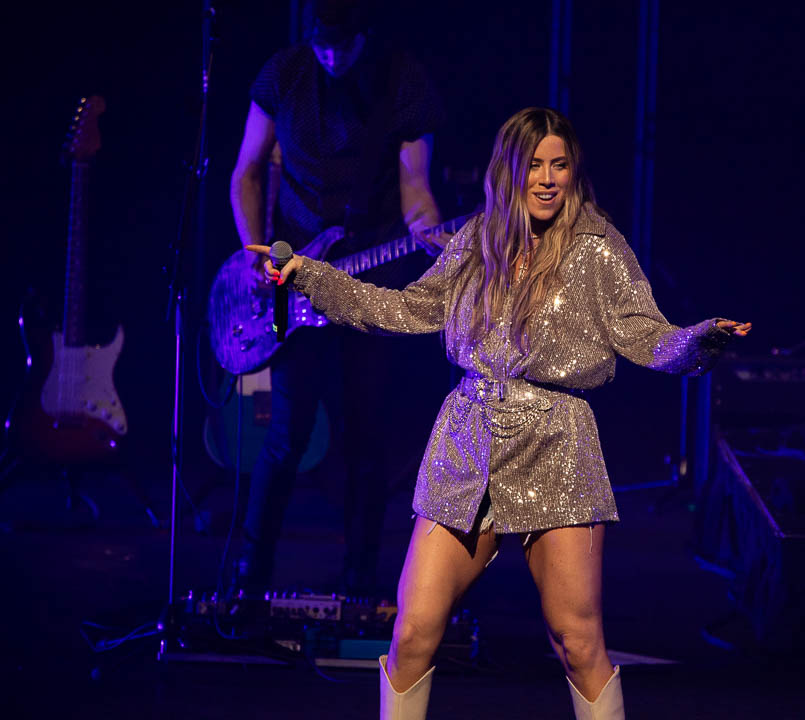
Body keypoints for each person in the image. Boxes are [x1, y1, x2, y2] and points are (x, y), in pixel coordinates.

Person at [250, 107, 750, 720]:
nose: (548, 179)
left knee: (577, 642)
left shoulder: (598, 247)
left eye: (559, 165)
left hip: (556, 443)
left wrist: (701, 339)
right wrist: (310, 277)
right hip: (468, 437)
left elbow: (647, 334)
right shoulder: (476, 241)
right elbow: (405, 309)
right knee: (412, 632)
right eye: (535, 165)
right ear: (509, 171)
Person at [228, 0, 447, 597]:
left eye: (342, 45)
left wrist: (429, 230)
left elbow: (416, 187)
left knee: (366, 438)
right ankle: (249, 577)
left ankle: (359, 582)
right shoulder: (283, 74)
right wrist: (251, 252)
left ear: (365, 34)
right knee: (286, 435)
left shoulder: (402, 82)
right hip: (293, 275)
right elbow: (247, 171)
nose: (330, 55)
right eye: (321, 43)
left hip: (367, 280)